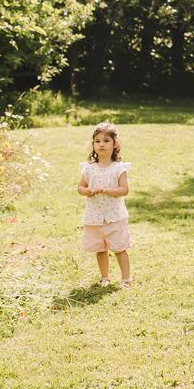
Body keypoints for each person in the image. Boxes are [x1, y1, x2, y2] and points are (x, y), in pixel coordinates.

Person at [78, 122, 132, 287]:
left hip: (114, 216)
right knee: (100, 248)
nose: (101, 144)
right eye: (97, 141)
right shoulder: (88, 168)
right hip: (94, 216)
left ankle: (126, 278)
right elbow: (80, 187)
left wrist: (109, 190)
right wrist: (85, 191)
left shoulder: (118, 168)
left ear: (115, 144)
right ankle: (105, 277)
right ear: (93, 144)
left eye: (106, 140)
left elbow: (124, 190)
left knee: (119, 248)